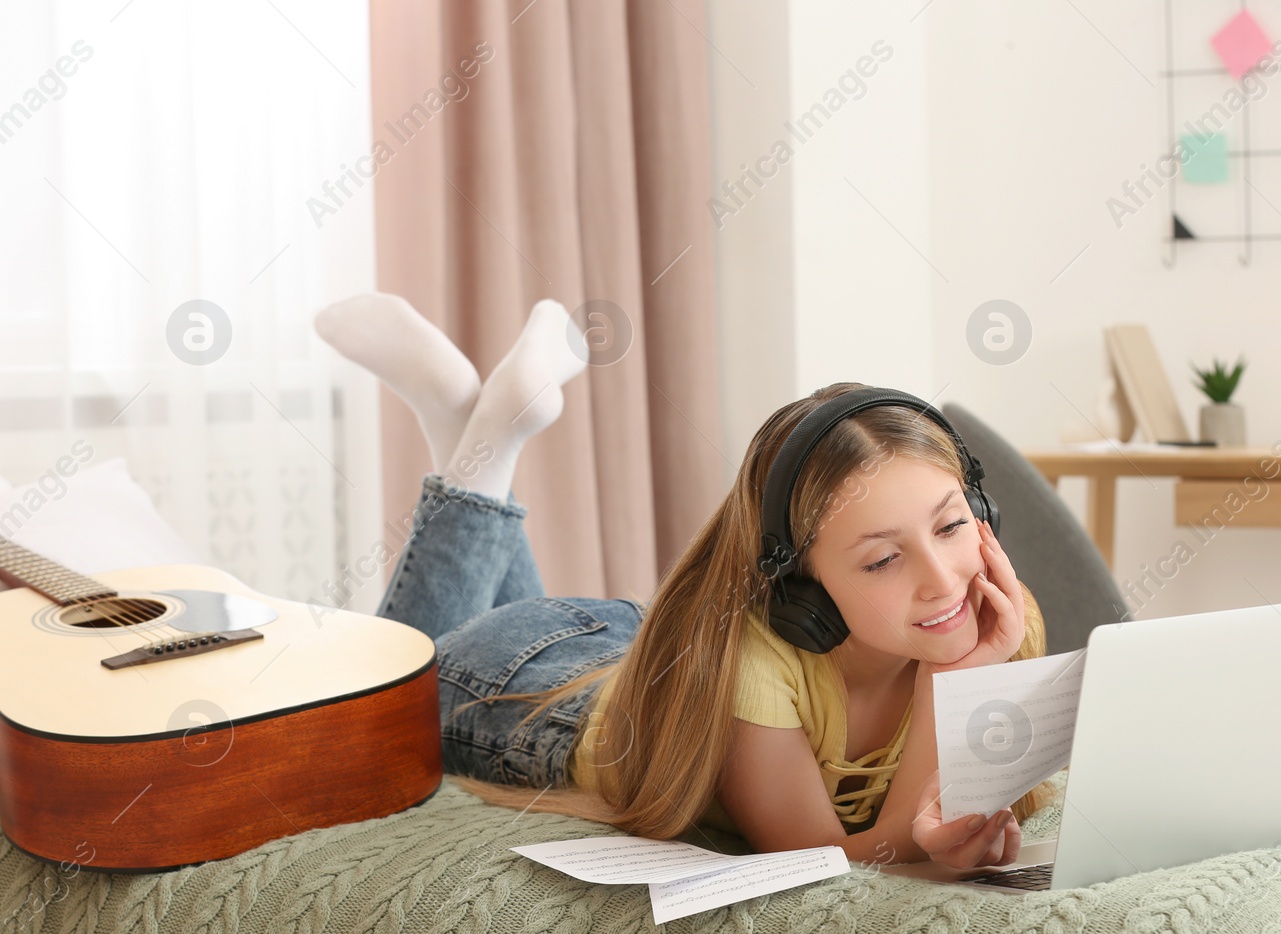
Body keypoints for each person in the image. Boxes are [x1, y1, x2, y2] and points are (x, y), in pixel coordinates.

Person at [314, 293, 1058, 869]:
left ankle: (465, 426)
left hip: (631, 643)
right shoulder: (755, 668)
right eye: (882, 560)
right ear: (800, 585)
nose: (942, 580)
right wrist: (949, 680)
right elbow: (846, 862)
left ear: (982, 509)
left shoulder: (1001, 614)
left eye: (953, 524)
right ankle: (474, 436)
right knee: (359, 731)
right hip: (529, 683)